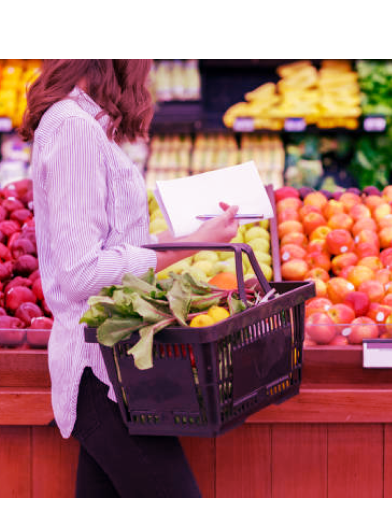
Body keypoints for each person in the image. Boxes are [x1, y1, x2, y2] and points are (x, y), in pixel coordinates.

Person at [18, 59, 239, 498]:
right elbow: (82, 272)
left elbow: (111, 244)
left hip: (117, 369)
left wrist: (188, 236)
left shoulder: (81, 123)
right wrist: (188, 246)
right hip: (101, 374)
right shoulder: (73, 129)